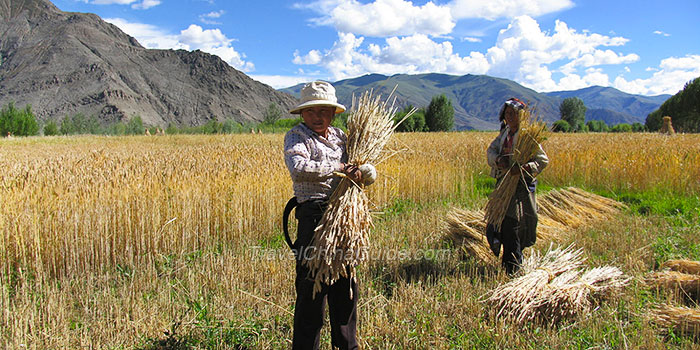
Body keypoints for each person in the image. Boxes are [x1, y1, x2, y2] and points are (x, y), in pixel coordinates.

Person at [283, 81, 362, 350]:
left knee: (345, 290)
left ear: (333, 113)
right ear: (303, 114)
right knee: (310, 293)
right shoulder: (297, 137)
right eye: (312, 111)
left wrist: (364, 172)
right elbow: (300, 168)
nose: (318, 117)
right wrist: (340, 167)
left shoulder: (342, 137)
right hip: (314, 218)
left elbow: (362, 165)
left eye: (324, 111)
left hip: (344, 218)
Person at [486, 98, 548, 274]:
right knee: (497, 220)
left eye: (513, 113)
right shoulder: (504, 134)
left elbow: (542, 160)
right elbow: (491, 151)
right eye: (507, 113)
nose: (510, 116)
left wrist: (524, 168)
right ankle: (509, 263)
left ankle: (512, 266)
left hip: (520, 187)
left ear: (521, 115)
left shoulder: (527, 137)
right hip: (503, 183)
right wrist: (498, 160)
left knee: (513, 224)